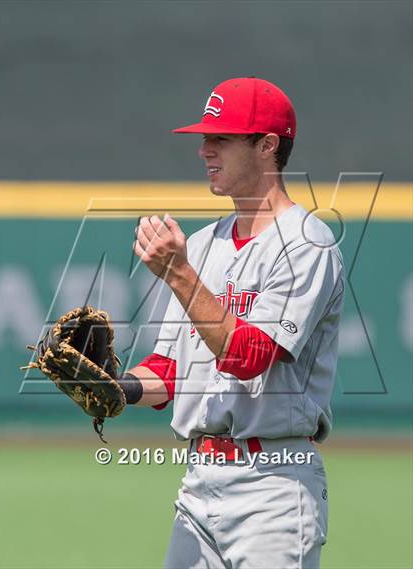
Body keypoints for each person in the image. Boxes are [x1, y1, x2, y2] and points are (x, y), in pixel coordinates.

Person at [119, 77, 345, 569]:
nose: (204, 150)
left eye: (220, 138)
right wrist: (115, 388)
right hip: (197, 483)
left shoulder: (307, 242)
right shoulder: (201, 245)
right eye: (205, 138)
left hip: (273, 488)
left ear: (266, 146)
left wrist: (178, 273)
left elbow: (248, 357)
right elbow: (169, 370)